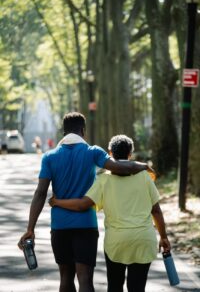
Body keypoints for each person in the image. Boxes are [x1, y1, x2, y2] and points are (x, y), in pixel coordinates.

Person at [18, 112, 154, 292]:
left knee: (65, 277)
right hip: (86, 225)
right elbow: (120, 167)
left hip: (60, 226)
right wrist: (143, 166)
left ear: (63, 132)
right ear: (83, 130)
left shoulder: (49, 157)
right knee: (85, 279)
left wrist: (30, 229)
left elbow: (40, 193)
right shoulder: (93, 152)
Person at [49, 134, 171, 292]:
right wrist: (163, 237)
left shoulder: (103, 180)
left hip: (116, 242)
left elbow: (81, 205)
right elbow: (156, 210)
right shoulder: (144, 177)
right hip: (143, 239)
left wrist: (57, 202)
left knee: (115, 286)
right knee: (137, 288)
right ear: (130, 154)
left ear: (110, 154)